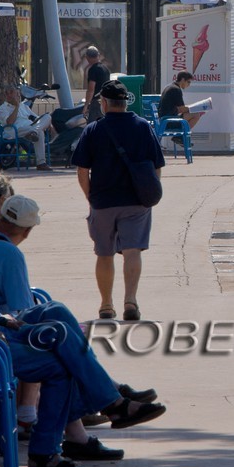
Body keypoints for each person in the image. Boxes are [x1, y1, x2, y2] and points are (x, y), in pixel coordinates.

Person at [0, 212, 165, 467]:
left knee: (58, 323)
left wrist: (1, 322)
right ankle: (73, 431)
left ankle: (102, 409)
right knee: (59, 358)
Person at [72, 81, 166, 322]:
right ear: (125, 102)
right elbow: (157, 167)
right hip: (136, 201)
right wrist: (149, 193)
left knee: (104, 254)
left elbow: (82, 170)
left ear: (104, 103)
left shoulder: (94, 130)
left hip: (103, 201)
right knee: (133, 250)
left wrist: (90, 197)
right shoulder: (143, 127)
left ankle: (106, 305)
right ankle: (130, 301)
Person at [0, 83, 55, 171]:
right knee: (40, 132)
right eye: (7, 93)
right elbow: (10, 122)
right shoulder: (3, 108)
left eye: (14, 93)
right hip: (15, 130)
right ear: (6, 95)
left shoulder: (24, 106)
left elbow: (37, 118)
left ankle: (34, 132)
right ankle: (41, 163)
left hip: (30, 128)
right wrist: (16, 107)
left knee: (48, 117)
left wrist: (48, 124)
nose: (10, 95)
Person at [81, 45, 111, 119]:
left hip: (96, 102)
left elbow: (91, 89)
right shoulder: (105, 69)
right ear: (98, 55)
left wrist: (86, 105)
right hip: (106, 101)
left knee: (94, 124)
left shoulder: (93, 69)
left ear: (87, 57)